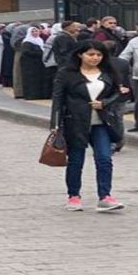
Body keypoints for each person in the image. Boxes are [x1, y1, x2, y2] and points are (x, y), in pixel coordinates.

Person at [51, 41, 125, 212]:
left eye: (99, 55)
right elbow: (58, 99)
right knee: (76, 161)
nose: (95, 58)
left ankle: (105, 196)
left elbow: (118, 93)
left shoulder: (108, 72)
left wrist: (105, 103)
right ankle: (74, 196)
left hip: (101, 123)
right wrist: (55, 124)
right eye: (91, 54)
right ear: (80, 55)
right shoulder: (66, 73)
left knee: (104, 159)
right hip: (75, 122)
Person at [19, 27, 52, 100]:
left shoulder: (39, 40)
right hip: (30, 65)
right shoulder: (27, 42)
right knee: (31, 81)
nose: (35, 33)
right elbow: (26, 52)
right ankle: (31, 95)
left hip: (39, 64)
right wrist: (39, 53)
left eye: (36, 31)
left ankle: (40, 95)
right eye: (33, 31)